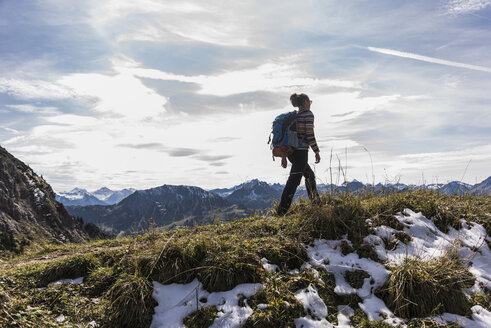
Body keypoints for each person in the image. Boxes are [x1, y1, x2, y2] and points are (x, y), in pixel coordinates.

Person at [277, 93, 321, 216]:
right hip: (301, 152)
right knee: (293, 181)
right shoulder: (307, 114)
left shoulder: (294, 116)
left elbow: (287, 137)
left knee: (309, 175)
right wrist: (316, 151)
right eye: (309, 101)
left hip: (291, 152)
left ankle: (316, 204)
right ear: (304, 102)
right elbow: (309, 134)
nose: (310, 104)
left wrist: (284, 156)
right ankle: (281, 211)